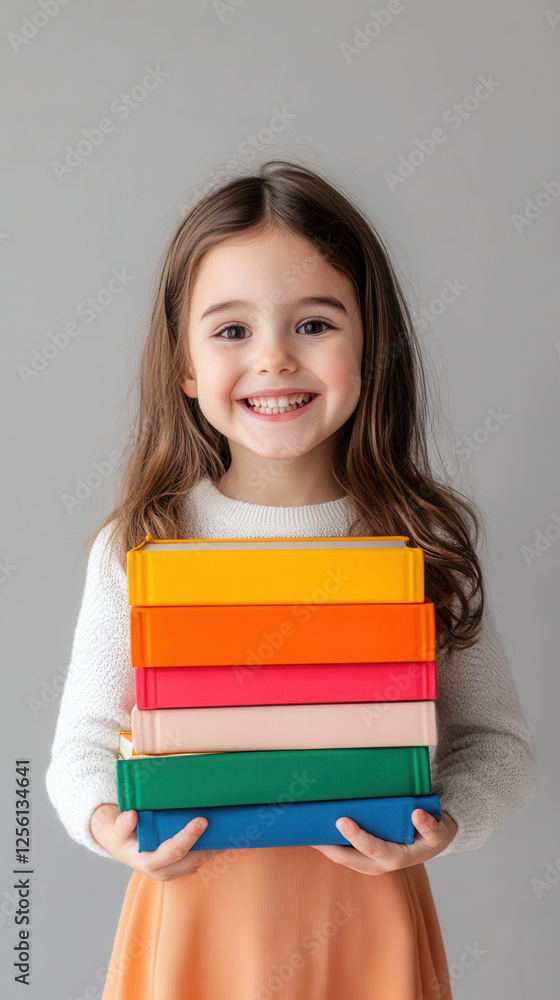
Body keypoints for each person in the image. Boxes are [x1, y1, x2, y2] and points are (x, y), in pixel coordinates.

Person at [45, 159, 537, 1000]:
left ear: (370, 347)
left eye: (314, 324)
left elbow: (498, 746)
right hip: (194, 923)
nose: (274, 359)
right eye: (231, 331)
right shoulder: (141, 544)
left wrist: (442, 826)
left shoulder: (417, 540)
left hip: (366, 918)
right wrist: (111, 827)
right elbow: (81, 747)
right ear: (186, 369)